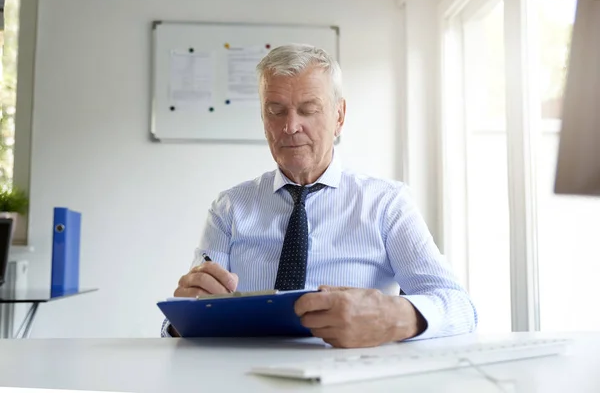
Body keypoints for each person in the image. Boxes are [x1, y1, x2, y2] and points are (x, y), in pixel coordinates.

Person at [161, 44, 477, 348]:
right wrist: (182, 318)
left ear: (339, 116)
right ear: (263, 119)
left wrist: (394, 317)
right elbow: (186, 321)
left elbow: (459, 306)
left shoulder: (386, 204)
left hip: (350, 377)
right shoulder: (229, 208)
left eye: (308, 110)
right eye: (276, 111)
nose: (290, 126)